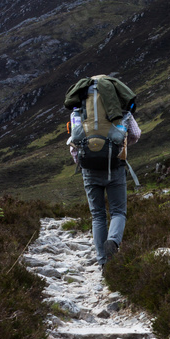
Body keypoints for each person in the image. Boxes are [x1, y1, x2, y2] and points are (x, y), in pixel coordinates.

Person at [66, 74, 141, 270]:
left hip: (89, 169)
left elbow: (73, 144)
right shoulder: (121, 111)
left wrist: (84, 161)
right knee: (118, 212)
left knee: (97, 215)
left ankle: (103, 263)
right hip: (114, 165)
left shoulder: (79, 111)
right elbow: (135, 134)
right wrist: (118, 147)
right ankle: (114, 242)